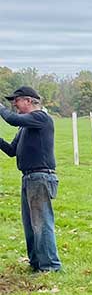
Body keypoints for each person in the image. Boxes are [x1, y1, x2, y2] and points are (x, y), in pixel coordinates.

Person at [0, 86, 63, 272]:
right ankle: (36, 264)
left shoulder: (41, 117)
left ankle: (51, 266)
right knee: (30, 225)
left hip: (40, 177)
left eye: (16, 101)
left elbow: (11, 119)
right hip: (29, 178)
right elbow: (12, 151)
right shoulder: (25, 126)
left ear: (28, 101)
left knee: (42, 224)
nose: (14, 105)